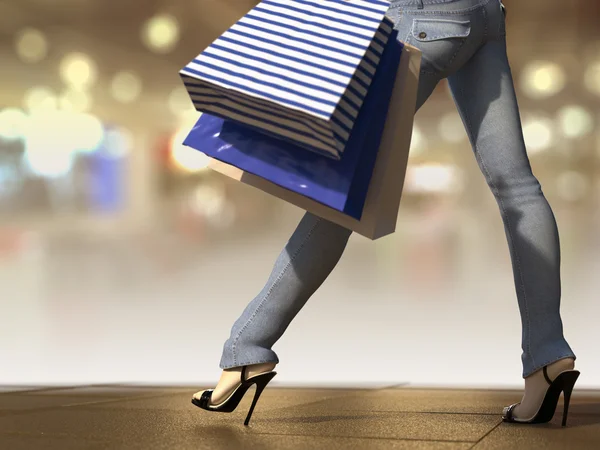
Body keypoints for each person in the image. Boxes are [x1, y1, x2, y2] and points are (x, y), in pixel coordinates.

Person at [192, 0, 578, 427]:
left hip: (419, 16)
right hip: (483, 15)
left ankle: (247, 351)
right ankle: (549, 355)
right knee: (519, 189)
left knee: (340, 189)